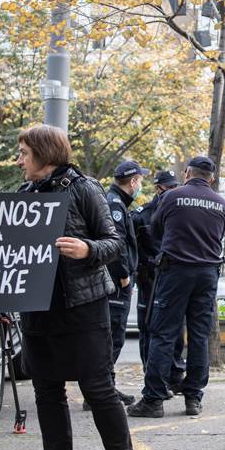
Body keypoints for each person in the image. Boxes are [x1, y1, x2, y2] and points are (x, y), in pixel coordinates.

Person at [8, 125, 144, 450]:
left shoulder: (84, 188)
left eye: (24, 153)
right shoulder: (23, 196)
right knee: (47, 393)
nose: (19, 160)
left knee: (99, 391)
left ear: (45, 153)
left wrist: (86, 249)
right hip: (38, 310)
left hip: (84, 307)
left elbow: (113, 241)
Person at [128, 156, 225, 419]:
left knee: (163, 334)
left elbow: (156, 230)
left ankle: (153, 400)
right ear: (212, 178)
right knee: (199, 336)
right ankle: (193, 397)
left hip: (175, 271)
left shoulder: (173, 197)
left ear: (186, 174)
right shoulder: (221, 203)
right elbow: (218, 235)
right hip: (207, 274)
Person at [95, 159, 148, 407]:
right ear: (133, 181)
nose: (141, 185)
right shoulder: (115, 204)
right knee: (112, 337)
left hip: (115, 281)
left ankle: (106, 387)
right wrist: (124, 276)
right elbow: (117, 245)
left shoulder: (116, 201)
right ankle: (102, 390)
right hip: (116, 283)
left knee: (111, 336)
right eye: (140, 180)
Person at [132, 169, 186, 388]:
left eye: (175, 187)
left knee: (176, 330)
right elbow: (132, 249)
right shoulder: (141, 215)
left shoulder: (181, 212)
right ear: (158, 188)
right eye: (169, 188)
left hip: (173, 280)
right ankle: (151, 375)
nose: (172, 191)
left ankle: (175, 376)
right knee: (149, 330)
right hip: (149, 281)